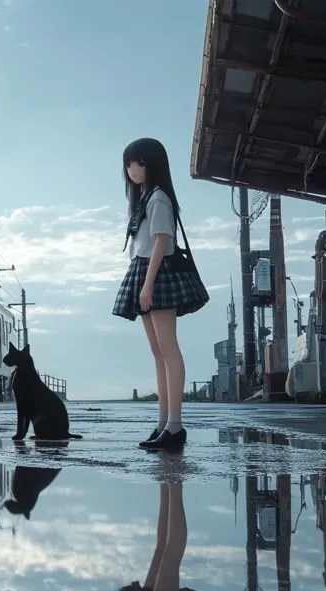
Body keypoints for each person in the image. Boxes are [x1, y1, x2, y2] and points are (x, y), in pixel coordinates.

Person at [112, 138, 209, 450]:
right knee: (158, 352)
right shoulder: (146, 198)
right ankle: (164, 422)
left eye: (137, 163)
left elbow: (161, 242)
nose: (132, 170)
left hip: (156, 273)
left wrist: (147, 284)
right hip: (145, 271)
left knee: (168, 349)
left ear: (151, 163)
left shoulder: (158, 199)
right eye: (128, 164)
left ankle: (175, 425)